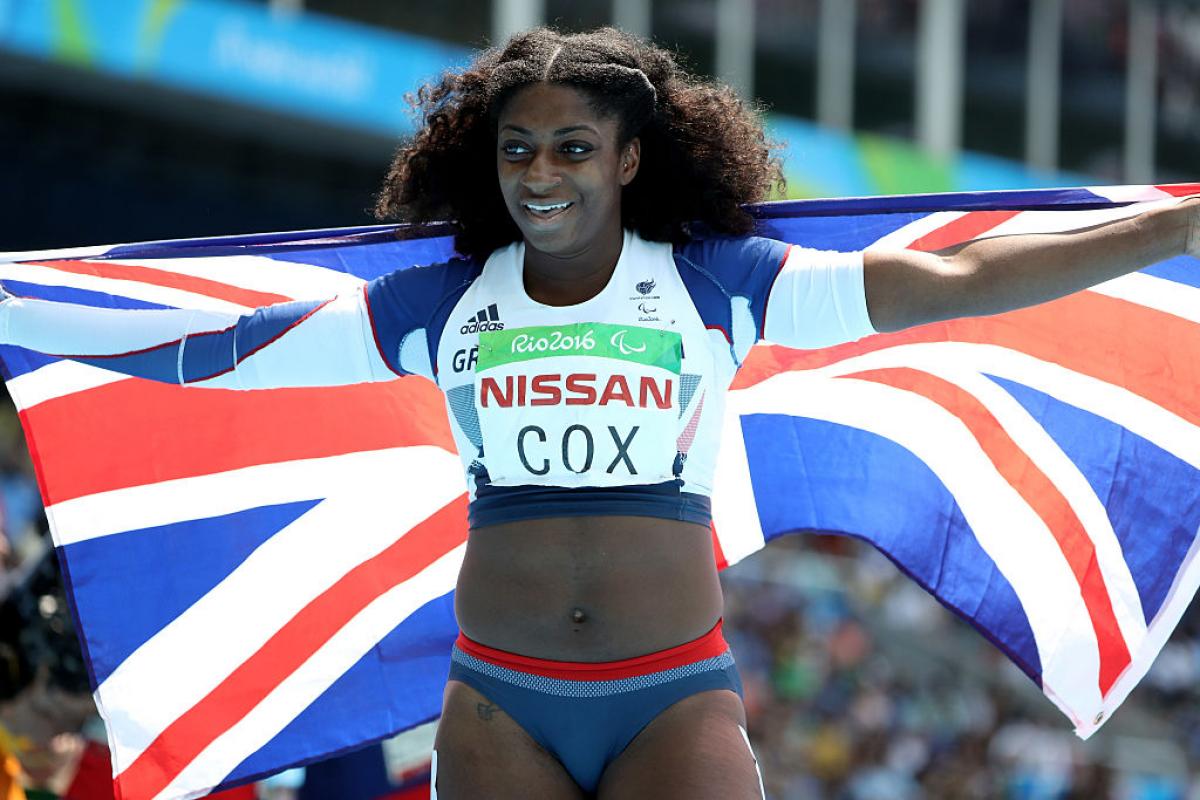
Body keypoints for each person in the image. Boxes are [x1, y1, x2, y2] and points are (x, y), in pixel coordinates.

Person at [0, 25, 1197, 800]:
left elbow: (963, 282)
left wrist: (1174, 226)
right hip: (497, 699)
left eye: (574, 147)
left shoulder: (723, 282)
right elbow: (214, 353)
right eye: (520, 149)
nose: (542, 173)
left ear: (630, 160)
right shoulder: (444, 300)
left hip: (669, 691)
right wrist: (21, 309)